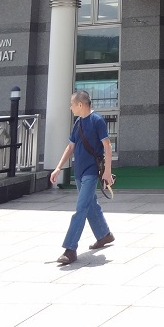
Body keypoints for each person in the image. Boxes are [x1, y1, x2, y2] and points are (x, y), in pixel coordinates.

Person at [49, 90, 115, 266]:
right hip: (78, 171)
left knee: (81, 208)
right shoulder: (78, 123)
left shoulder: (97, 120)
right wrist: (58, 168)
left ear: (80, 104)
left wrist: (107, 172)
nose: (70, 108)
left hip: (91, 171)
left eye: (72, 104)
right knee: (90, 204)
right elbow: (70, 147)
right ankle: (104, 235)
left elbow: (107, 146)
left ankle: (70, 249)